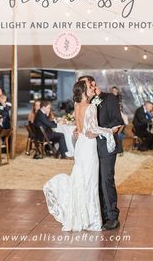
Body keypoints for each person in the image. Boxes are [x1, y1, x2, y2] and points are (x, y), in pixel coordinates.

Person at [43, 80, 120, 231]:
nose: (91, 89)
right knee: (90, 182)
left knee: (86, 180)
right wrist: (110, 131)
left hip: (83, 147)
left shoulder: (79, 105)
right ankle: (91, 218)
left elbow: (84, 127)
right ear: (85, 91)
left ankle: (93, 216)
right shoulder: (89, 106)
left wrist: (80, 131)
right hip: (89, 146)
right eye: (88, 88)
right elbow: (92, 131)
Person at [79, 75, 124, 231]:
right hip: (90, 148)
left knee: (106, 180)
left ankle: (113, 217)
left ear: (93, 84)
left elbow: (117, 121)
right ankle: (101, 215)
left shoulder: (109, 98)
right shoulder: (87, 102)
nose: (84, 88)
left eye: (85, 84)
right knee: (95, 181)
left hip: (106, 147)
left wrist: (100, 131)